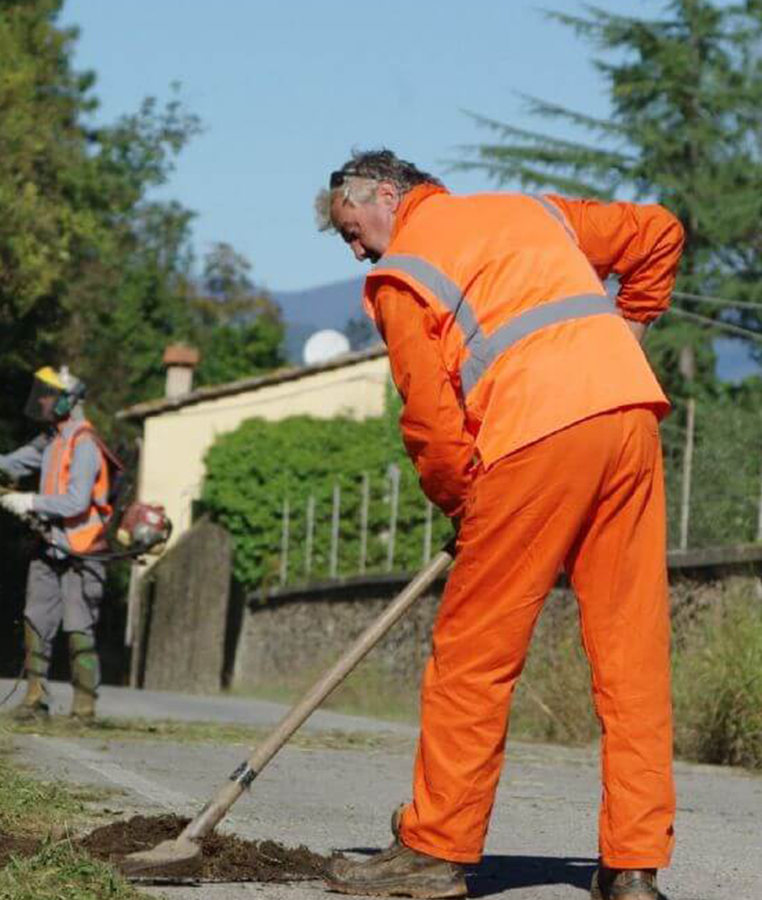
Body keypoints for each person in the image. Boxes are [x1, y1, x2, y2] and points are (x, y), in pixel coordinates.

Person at [314, 150, 683, 900]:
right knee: (632, 653)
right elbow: (658, 232)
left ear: (388, 194)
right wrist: (629, 331)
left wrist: (466, 506)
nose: (356, 249)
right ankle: (634, 866)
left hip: (535, 438)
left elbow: (432, 427)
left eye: (353, 230)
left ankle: (435, 849)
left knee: (473, 654)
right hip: (630, 422)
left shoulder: (402, 275)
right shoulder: (529, 210)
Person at [0, 366, 113, 722]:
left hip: (81, 552)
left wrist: (30, 501)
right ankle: (34, 700)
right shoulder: (51, 441)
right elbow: (9, 465)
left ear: (68, 401)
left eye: (49, 394)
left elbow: (76, 502)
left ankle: (84, 709)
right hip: (48, 544)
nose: (42, 399)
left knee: (78, 626)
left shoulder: (84, 443)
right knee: (36, 619)